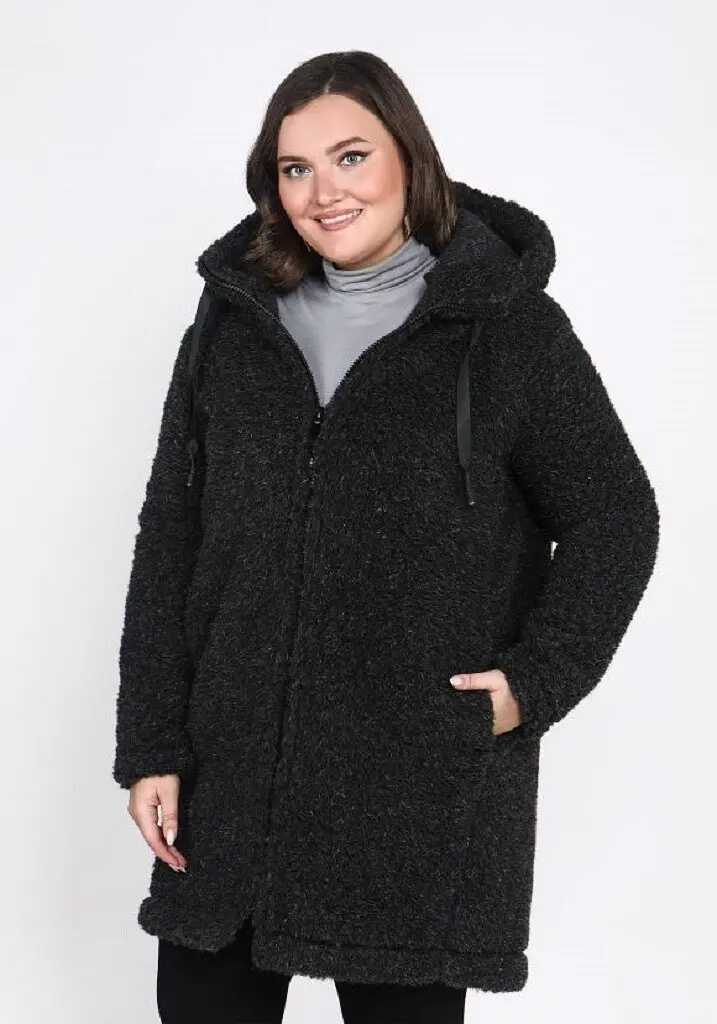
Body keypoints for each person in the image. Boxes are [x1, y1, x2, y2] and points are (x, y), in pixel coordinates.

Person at [113, 49, 660, 1024]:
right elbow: (172, 531)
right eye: (295, 168)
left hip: (414, 793)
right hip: (229, 785)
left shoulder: (509, 332)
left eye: (351, 157)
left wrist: (532, 684)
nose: (324, 191)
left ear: (409, 157)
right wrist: (153, 743)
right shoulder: (234, 326)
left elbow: (614, 516)